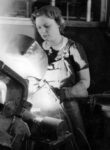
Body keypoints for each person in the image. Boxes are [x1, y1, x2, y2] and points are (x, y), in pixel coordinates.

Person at [31, 5, 91, 149]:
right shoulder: (38, 49)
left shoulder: (73, 48)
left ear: (58, 23)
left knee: (76, 140)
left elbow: (85, 81)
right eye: (39, 27)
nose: (43, 31)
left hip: (67, 104)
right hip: (45, 104)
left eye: (47, 26)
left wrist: (66, 93)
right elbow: (34, 76)